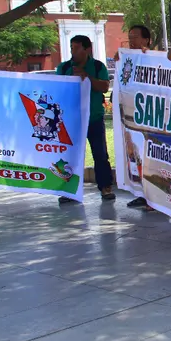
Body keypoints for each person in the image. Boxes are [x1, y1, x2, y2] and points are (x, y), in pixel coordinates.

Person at [57, 35, 116, 203]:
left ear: (86, 49)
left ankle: (106, 188)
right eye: (71, 48)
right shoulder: (64, 68)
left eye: (76, 48)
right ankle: (68, 190)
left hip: (94, 119)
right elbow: (57, 89)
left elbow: (104, 87)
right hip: (71, 120)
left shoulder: (97, 66)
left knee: (100, 154)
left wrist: (87, 77)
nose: (72, 52)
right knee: (69, 155)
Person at [114, 25, 155, 210]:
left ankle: (153, 199)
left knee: (150, 159)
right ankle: (140, 193)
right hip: (132, 119)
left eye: (136, 37)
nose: (132, 40)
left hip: (150, 118)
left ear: (146, 40)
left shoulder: (154, 58)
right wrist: (118, 60)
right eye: (129, 36)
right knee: (135, 156)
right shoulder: (127, 59)